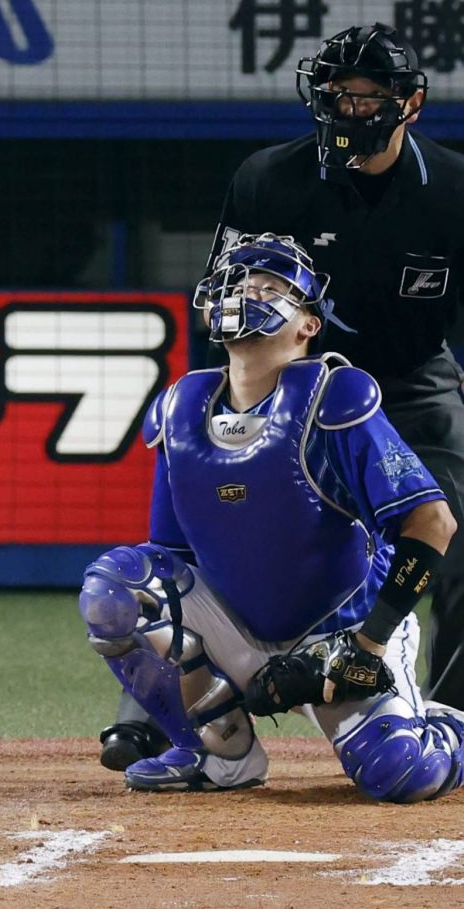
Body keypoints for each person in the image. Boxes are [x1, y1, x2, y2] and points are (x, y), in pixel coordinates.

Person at [100, 22, 464, 771]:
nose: (348, 108)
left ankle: (443, 709)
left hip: (413, 382)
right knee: (198, 530)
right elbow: (229, 304)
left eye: (366, 96)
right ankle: (166, 714)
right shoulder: (268, 178)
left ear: (411, 104)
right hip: (289, 380)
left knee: (453, 532)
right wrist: (219, 415)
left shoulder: (455, 191)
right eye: (335, 93)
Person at [81, 232, 464, 799]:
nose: (246, 294)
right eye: (236, 283)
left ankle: (445, 728)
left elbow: (433, 522)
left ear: (308, 324)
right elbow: (172, 558)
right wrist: (201, 666)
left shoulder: (335, 398)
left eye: (268, 286)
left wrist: (368, 646)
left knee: (401, 773)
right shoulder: (178, 408)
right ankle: (218, 750)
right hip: (240, 626)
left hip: (342, 634)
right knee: (117, 587)